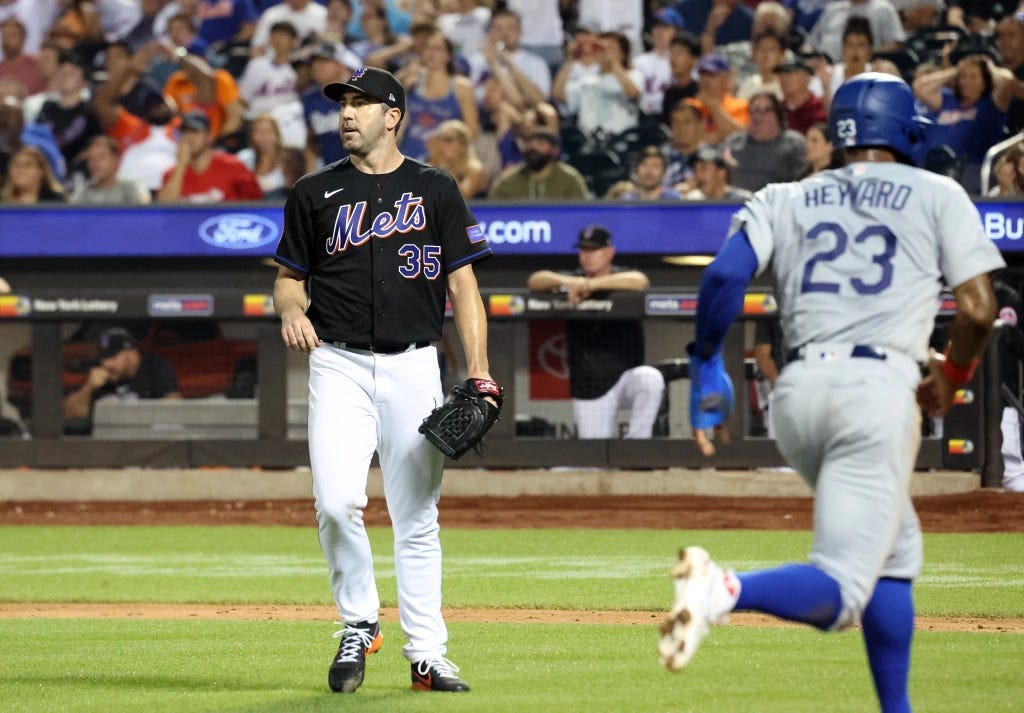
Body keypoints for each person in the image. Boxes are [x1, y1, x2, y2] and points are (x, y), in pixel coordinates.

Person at [658, 73, 1004, 713]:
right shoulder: (936, 190)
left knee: (895, 553)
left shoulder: (785, 195)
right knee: (844, 590)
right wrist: (949, 380)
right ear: (904, 131)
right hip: (876, 393)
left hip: (799, 394)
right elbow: (979, 312)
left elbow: (723, 278)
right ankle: (723, 590)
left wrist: (707, 362)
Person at [273, 65, 495, 694]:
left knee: (416, 515)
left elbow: (464, 285)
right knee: (336, 503)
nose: (347, 113)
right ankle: (359, 621)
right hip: (337, 363)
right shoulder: (313, 192)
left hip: (415, 363)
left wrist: (476, 371)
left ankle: (428, 654)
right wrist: (291, 307)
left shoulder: (435, 187)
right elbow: (288, 278)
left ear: (392, 115)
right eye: (342, 103)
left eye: (361, 103)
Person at [526, 225, 665, 439]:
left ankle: (637, 448)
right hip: (590, 385)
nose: (587, 256)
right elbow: (536, 280)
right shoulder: (574, 280)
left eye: (594, 250)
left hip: (624, 379)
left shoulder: (620, 277)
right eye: (583, 250)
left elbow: (640, 280)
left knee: (651, 379)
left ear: (609, 252)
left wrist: (591, 285)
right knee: (594, 460)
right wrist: (573, 282)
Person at [61, 327, 181, 426]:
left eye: (112, 357)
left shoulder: (155, 366)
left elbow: (173, 409)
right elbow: (72, 414)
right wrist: (88, 388)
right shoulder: (97, 370)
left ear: (130, 354)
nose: (105, 363)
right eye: (103, 357)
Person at [156, 109, 263, 202]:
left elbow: (256, 204)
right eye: (184, 133)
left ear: (209, 136)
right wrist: (181, 165)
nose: (188, 138)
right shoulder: (172, 174)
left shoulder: (233, 166)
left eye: (195, 132)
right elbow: (164, 209)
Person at [723, 90, 806, 192]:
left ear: (778, 115)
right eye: (753, 110)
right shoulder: (733, 143)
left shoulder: (794, 144)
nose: (757, 116)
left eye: (765, 110)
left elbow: (802, 185)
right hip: (735, 204)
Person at [488, 128, 588, 199]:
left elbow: (579, 214)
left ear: (555, 150)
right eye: (529, 142)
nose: (533, 147)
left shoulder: (570, 180)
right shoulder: (508, 180)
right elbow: (495, 212)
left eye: (540, 143)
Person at [69, 134, 151, 204]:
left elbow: (145, 212)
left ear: (115, 161)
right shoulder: (83, 191)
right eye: (91, 159)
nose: (95, 163)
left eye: (101, 157)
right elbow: (70, 216)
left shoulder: (132, 186)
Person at [424, 118, 488, 199]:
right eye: (439, 140)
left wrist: (444, 167)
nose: (441, 145)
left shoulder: (475, 170)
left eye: (448, 140)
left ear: (463, 145)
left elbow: (462, 196)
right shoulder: (434, 165)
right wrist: (434, 162)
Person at [606, 145, 683, 200]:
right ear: (636, 171)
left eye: (655, 166)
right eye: (644, 165)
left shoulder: (673, 200)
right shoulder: (626, 201)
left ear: (664, 173)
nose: (649, 171)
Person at [1, 143, 65, 203]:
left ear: (41, 172)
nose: (21, 170)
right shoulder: (2, 202)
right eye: (17, 165)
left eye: (28, 165)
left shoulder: (56, 202)